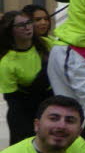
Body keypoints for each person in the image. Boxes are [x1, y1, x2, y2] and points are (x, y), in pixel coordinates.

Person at [0, 9, 52, 144]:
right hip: (24, 113)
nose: (27, 27)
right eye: (21, 25)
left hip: (50, 105)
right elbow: (13, 101)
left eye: (29, 22)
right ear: (10, 31)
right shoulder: (7, 62)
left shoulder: (47, 44)